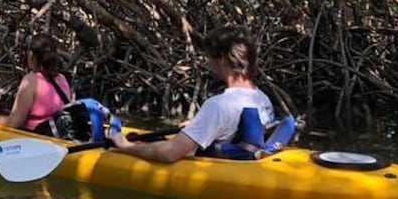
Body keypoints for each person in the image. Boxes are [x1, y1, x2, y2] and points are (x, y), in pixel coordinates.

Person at [110, 25, 275, 163]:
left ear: (223, 59)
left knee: (141, 144)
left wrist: (125, 146)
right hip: (242, 164)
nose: (208, 64)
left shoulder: (218, 105)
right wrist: (200, 125)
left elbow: (170, 153)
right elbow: (239, 131)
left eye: (210, 58)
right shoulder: (261, 99)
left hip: (221, 173)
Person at [0, 34, 72, 130]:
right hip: (55, 137)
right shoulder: (62, 78)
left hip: (32, 138)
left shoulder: (31, 80)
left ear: (31, 55)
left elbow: (14, 122)